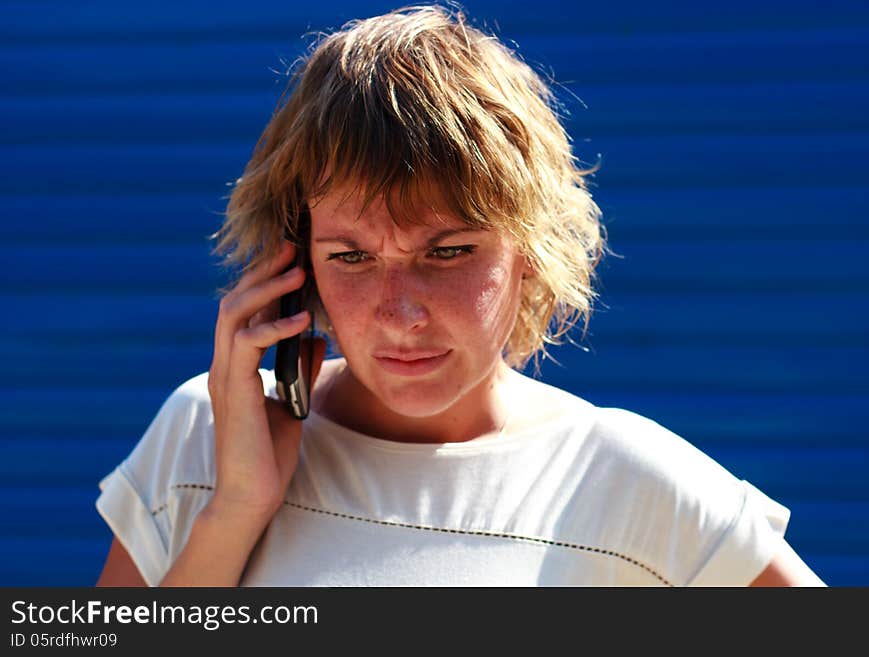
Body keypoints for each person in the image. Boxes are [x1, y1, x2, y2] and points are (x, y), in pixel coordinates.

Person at [94, 4, 824, 587]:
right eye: (351, 256)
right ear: (295, 266)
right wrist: (237, 508)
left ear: (531, 249)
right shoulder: (205, 435)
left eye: (446, 251)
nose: (400, 310)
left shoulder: (622, 476)